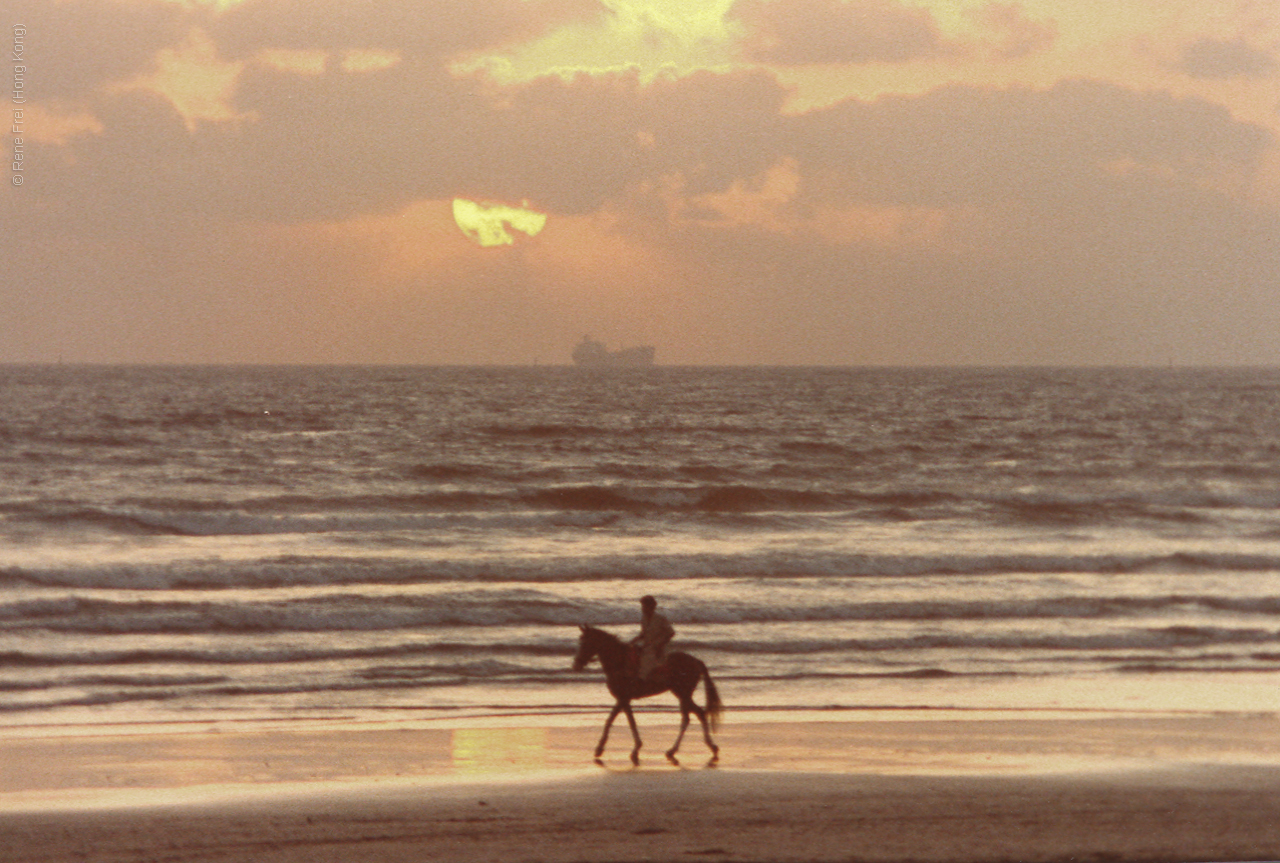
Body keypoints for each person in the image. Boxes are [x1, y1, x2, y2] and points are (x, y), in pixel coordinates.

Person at [631, 595, 674, 682]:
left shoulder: (660, 618)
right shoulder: (644, 618)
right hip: (648, 644)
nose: (643, 608)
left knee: (647, 658)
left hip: (660, 645)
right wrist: (635, 639)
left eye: (645, 606)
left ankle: (643, 679)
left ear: (651, 607)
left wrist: (660, 645)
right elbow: (644, 633)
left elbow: (671, 633)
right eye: (642, 606)